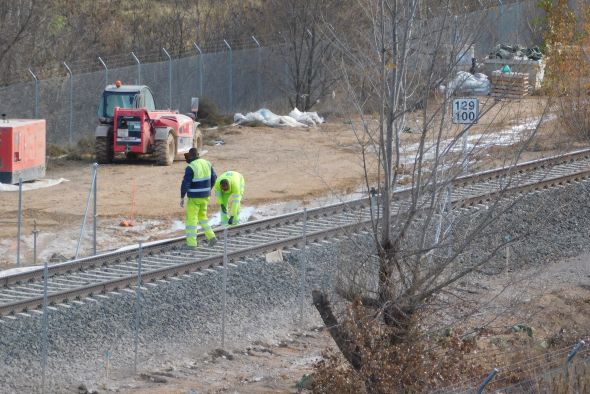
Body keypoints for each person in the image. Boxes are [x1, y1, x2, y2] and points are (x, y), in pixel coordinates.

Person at [180, 148, 217, 248]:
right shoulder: (207, 163)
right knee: (202, 217)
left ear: (191, 156)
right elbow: (214, 178)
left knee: (191, 220)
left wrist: (182, 196)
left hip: (194, 197)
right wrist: (208, 189)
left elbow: (185, 183)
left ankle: (191, 244)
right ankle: (212, 237)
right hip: (205, 196)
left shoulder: (191, 167)